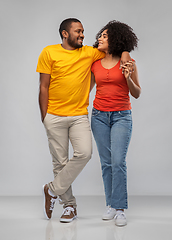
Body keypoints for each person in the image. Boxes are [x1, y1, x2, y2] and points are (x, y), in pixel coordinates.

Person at [36, 18, 132, 223]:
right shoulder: (48, 52)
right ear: (65, 33)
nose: (83, 35)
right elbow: (43, 86)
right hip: (53, 115)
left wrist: (124, 53)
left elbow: (114, 49)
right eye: (78, 31)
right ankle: (69, 206)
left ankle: (51, 189)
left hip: (79, 115)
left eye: (83, 31)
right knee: (60, 163)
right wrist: (45, 117)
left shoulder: (89, 52)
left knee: (85, 153)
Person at [90, 20, 141, 226]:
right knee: (106, 163)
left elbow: (136, 93)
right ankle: (110, 204)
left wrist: (128, 77)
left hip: (121, 116)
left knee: (118, 162)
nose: (100, 38)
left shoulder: (128, 61)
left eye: (104, 35)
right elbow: (87, 89)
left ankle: (120, 209)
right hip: (99, 116)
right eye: (100, 35)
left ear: (116, 38)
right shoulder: (94, 63)